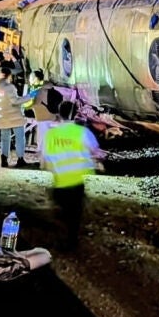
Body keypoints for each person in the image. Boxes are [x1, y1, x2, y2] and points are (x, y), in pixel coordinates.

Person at [41, 100, 103, 250]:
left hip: (59, 182)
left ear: (59, 113)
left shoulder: (51, 134)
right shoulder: (81, 132)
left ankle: (63, 237)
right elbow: (96, 151)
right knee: (74, 215)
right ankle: (71, 241)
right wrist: (98, 161)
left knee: (63, 211)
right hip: (76, 181)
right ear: (75, 114)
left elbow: (44, 160)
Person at [0, 66, 29, 168]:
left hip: (0, 116)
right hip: (13, 116)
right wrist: (28, 97)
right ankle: (20, 159)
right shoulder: (9, 87)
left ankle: (4, 159)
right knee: (20, 137)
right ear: (9, 76)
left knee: (5, 138)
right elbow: (15, 101)